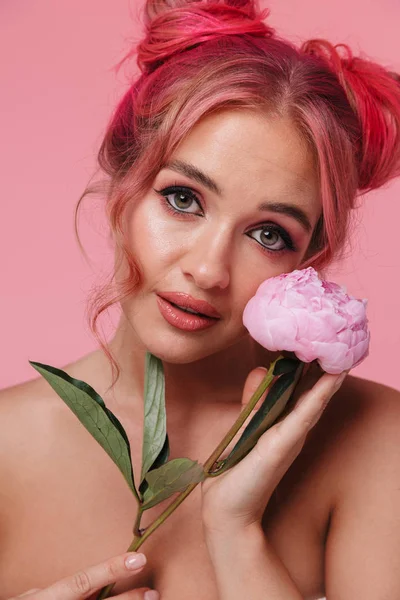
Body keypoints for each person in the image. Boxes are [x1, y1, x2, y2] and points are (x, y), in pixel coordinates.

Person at [1, 0, 400, 598]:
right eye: (183, 199)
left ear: (306, 260)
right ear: (122, 187)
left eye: (269, 234)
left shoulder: (376, 444)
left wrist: (236, 530)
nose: (209, 269)